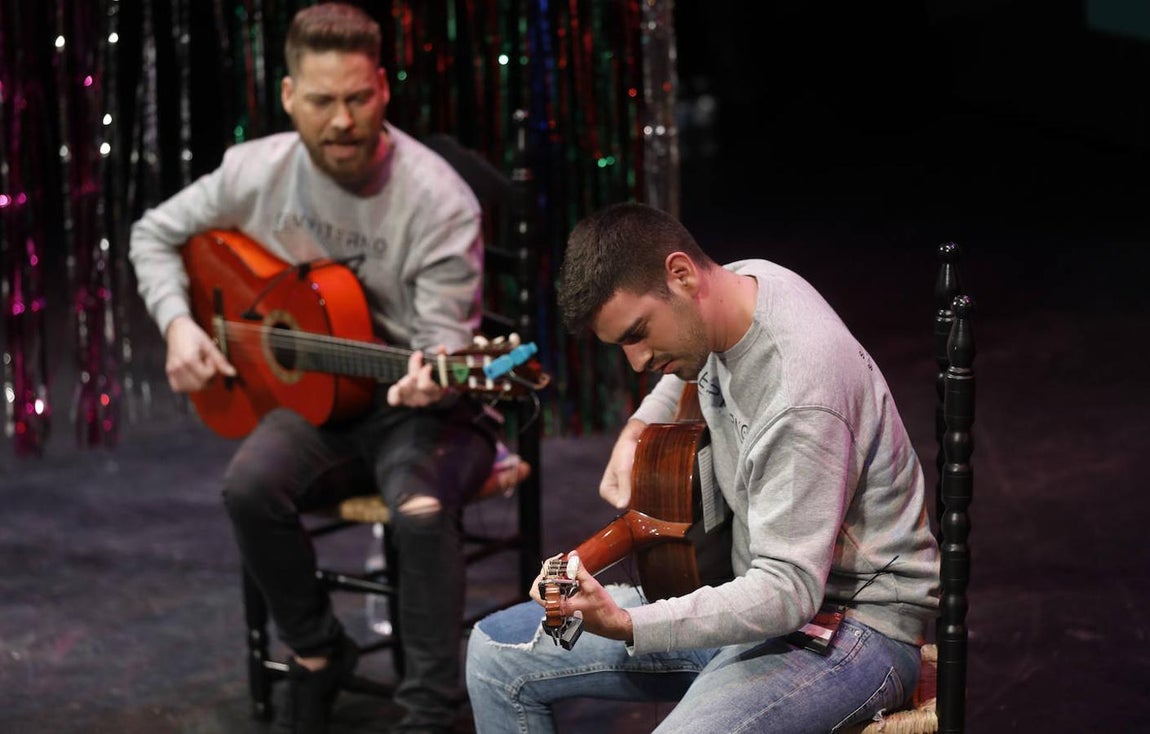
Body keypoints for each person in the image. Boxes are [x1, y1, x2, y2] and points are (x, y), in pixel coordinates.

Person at [129, 4, 502, 732]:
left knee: (419, 514)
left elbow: (445, 345)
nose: (342, 121)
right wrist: (178, 325)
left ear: (384, 91)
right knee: (247, 488)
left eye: (358, 99)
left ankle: (428, 712)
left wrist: (435, 374)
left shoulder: (438, 202)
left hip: (415, 409)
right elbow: (153, 233)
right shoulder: (253, 170)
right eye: (323, 101)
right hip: (316, 409)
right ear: (289, 96)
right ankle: (316, 649)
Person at [465, 202, 941, 733]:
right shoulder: (737, 285)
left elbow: (789, 591)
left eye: (638, 333)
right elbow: (687, 369)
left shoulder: (800, 394)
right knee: (494, 657)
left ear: (682, 275)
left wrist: (627, 623)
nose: (638, 361)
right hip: (753, 597)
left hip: (854, 625)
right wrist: (638, 427)